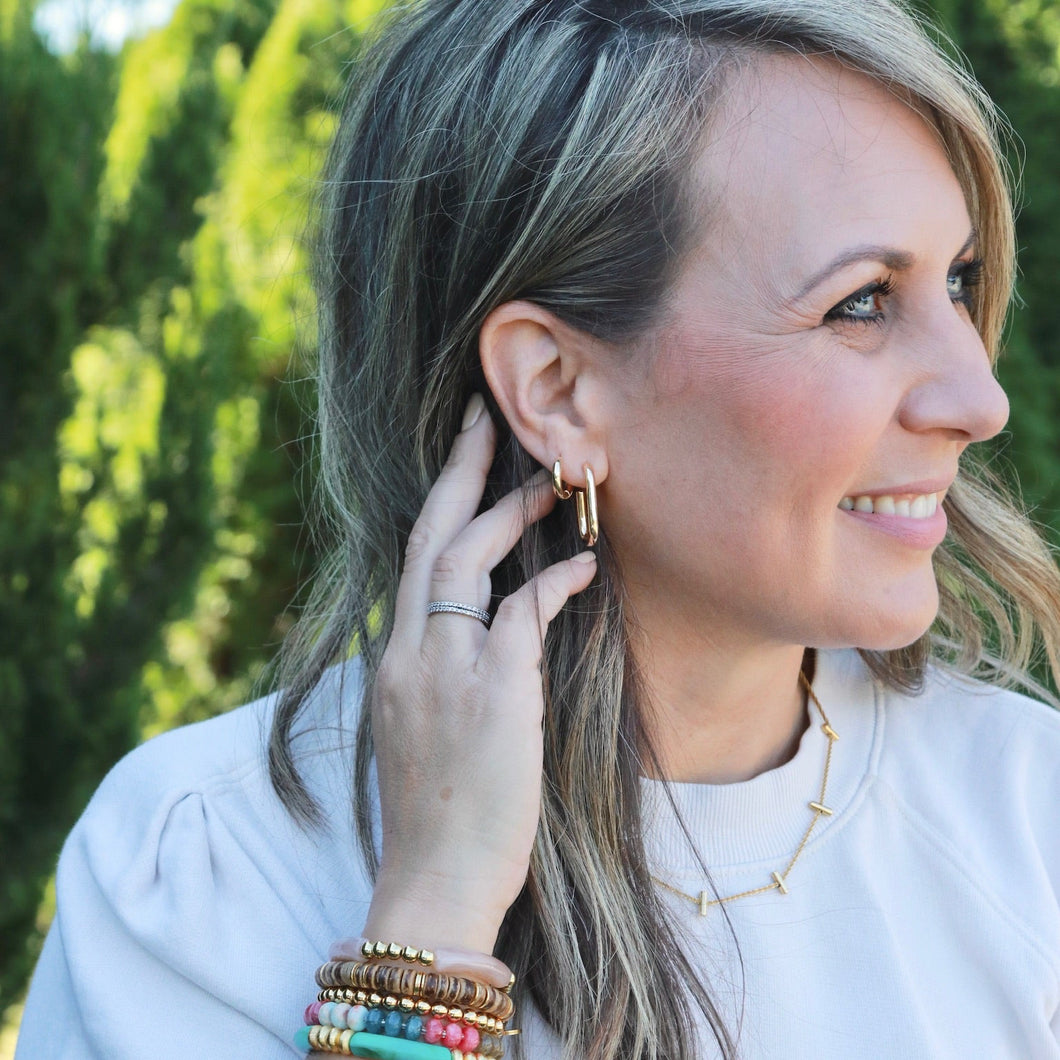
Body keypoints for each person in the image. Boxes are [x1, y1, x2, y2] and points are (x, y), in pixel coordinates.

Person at [16, 0, 1060, 1057]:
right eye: (862, 302)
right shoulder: (204, 881)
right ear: (555, 387)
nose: (980, 399)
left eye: (959, 282)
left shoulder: (1029, 817)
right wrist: (433, 916)